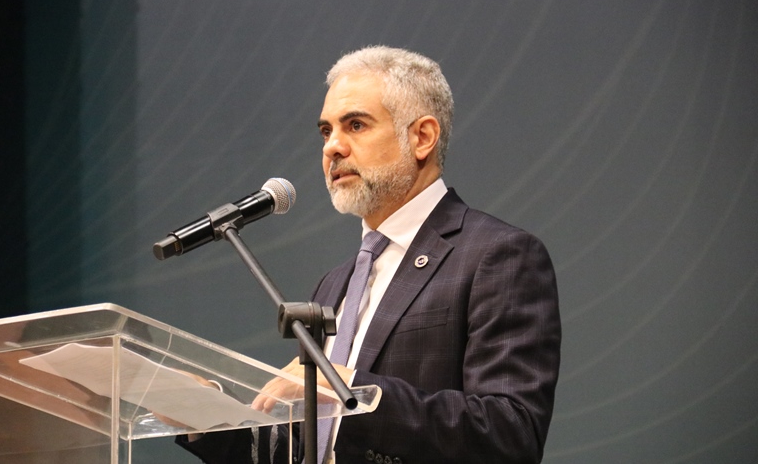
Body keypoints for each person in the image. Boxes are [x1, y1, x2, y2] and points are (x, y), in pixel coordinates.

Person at [178, 46, 561, 464]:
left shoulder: (498, 256)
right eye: (326, 132)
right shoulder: (335, 284)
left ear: (422, 137)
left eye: (355, 125)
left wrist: (354, 389)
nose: (332, 147)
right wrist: (205, 417)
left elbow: (510, 433)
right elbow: (310, 450)